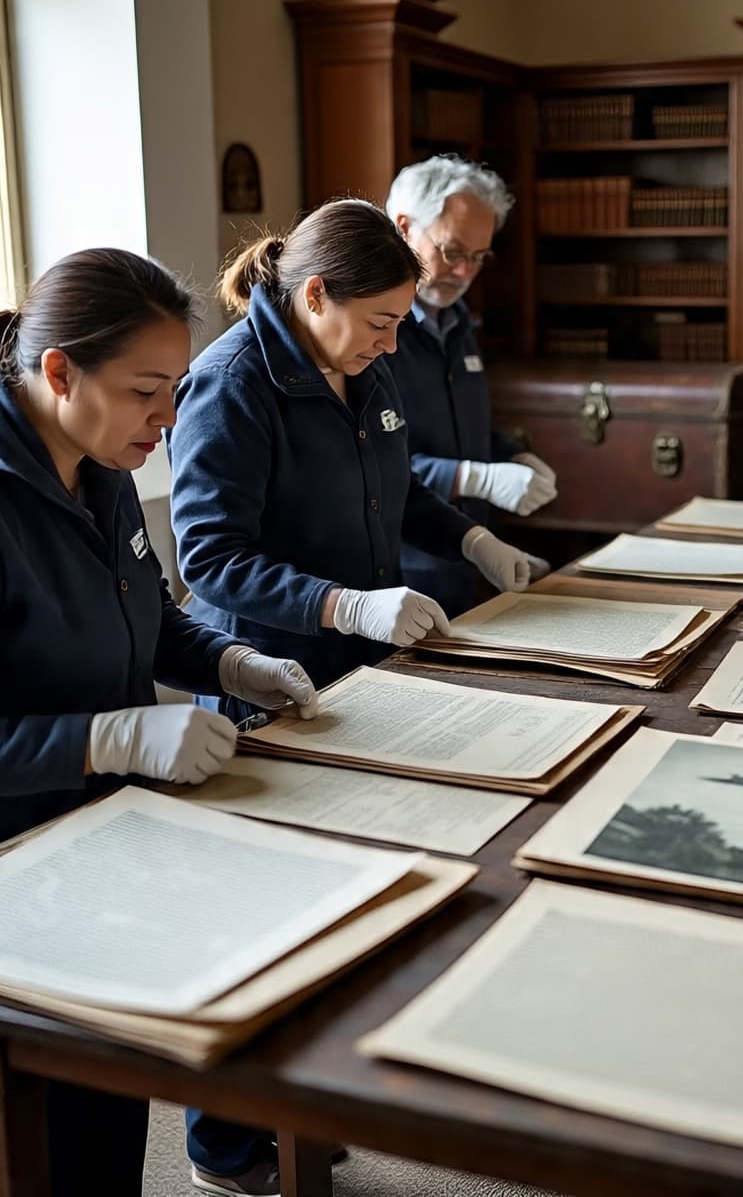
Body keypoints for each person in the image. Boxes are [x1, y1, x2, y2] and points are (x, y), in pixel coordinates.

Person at [167, 198, 545, 1195]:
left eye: (398, 324)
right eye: (380, 321)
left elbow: (399, 484)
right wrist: (343, 603)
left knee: (346, 905)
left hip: (361, 672)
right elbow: (207, 557)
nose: (392, 341)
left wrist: (467, 534)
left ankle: (297, 1109)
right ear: (314, 293)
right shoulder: (229, 384)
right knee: (262, 917)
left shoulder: (363, 363)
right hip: (274, 676)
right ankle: (223, 1143)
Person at [0, 249, 316, 1197]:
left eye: (176, 387)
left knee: (109, 1118)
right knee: (48, 1140)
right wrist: (112, 735)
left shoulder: (99, 462)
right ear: (60, 372)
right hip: (18, 876)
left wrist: (224, 659)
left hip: (104, 841)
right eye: (148, 391)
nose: (169, 417)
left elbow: (146, 611)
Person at [385, 155, 557, 614]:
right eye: (453, 251)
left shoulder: (459, 321)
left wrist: (510, 457)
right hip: (403, 573)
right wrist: (474, 478)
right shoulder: (375, 333)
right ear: (403, 228)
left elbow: (464, 431)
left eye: (479, 258)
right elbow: (373, 466)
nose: (465, 273)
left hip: (464, 564)